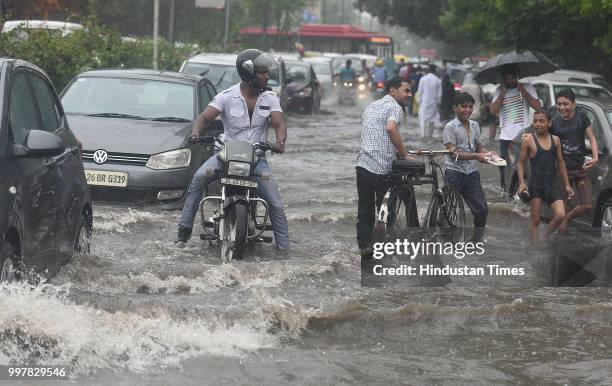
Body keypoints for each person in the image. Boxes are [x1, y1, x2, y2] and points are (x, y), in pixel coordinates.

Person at [175, 49, 290, 252]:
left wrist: (280, 142)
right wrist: (195, 133)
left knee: (275, 203)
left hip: (256, 160)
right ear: (249, 74)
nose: (266, 76)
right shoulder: (226, 96)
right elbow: (203, 118)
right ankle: (183, 234)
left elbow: (279, 124)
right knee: (198, 180)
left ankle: (285, 250)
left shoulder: (270, 98)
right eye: (262, 72)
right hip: (224, 156)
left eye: (266, 72)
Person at [356, 76, 414, 258]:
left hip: (362, 165)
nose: (410, 95)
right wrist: (404, 154)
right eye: (406, 90)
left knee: (365, 211)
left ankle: (364, 249)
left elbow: (377, 134)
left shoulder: (371, 106)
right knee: (386, 212)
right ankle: (385, 250)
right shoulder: (395, 107)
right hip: (381, 168)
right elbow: (390, 128)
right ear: (393, 91)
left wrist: (396, 151)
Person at [443, 92, 496, 242]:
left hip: (471, 174)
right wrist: (476, 156)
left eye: (470, 107)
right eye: (464, 107)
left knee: (482, 210)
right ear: (455, 108)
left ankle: (476, 242)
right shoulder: (450, 127)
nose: (467, 110)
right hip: (454, 173)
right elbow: (453, 154)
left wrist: (489, 155)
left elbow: (478, 149)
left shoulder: (475, 125)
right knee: (448, 212)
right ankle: (443, 241)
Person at [517, 110, 574, 243]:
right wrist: (521, 182)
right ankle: (534, 247)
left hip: (552, 183)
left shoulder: (556, 140)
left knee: (560, 214)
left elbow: (560, 163)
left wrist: (567, 185)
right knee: (535, 219)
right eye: (535, 121)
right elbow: (520, 163)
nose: (538, 124)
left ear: (549, 123)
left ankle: (544, 238)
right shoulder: (528, 140)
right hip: (536, 184)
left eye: (541, 121)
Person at [549, 88, 599, 232]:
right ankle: (554, 240)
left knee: (588, 204)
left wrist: (595, 157)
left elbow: (592, 138)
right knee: (562, 208)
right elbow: (546, 141)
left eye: (566, 104)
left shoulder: (582, 117)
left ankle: (567, 219)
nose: (562, 107)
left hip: (580, 168)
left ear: (574, 104)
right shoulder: (555, 123)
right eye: (559, 104)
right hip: (562, 170)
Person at [490, 64, 541, 190]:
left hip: (523, 136)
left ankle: (525, 190)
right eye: (507, 79)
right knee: (503, 167)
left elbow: (538, 107)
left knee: (525, 166)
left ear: (517, 76)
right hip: (505, 137)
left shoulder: (528, 87)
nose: (510, 81)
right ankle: (506, 192)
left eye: (512, 78)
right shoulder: (499, 90)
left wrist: (523, 91)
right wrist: (502, 95)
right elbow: (492, 110)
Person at [417, 64, 442, 139]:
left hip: (425, 102)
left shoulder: (423, 79)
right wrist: (438, 103)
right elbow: (439, 94)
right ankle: (430, 135)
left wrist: (419, 102)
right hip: (433, 103)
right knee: (432, 119)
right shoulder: (438, 80)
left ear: (428, 70)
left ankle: (422, 135)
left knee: (422, 118)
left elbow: (420, 92)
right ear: (435, 71)